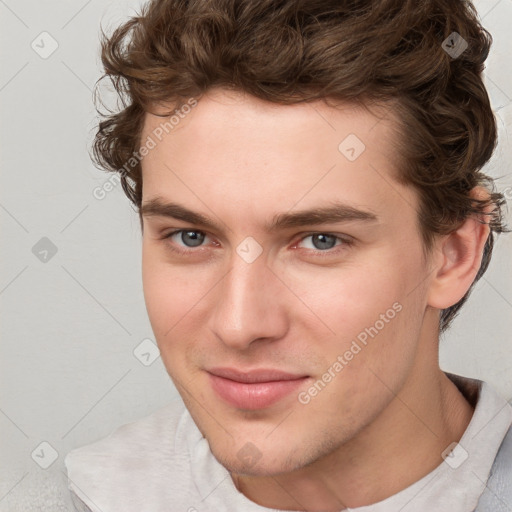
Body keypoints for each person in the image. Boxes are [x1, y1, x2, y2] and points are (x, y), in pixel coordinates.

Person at [64, 0, 512, 511]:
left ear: (453, 254)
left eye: (321, 240)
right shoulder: (85, 498)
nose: (239, 324)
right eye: (191, 236)